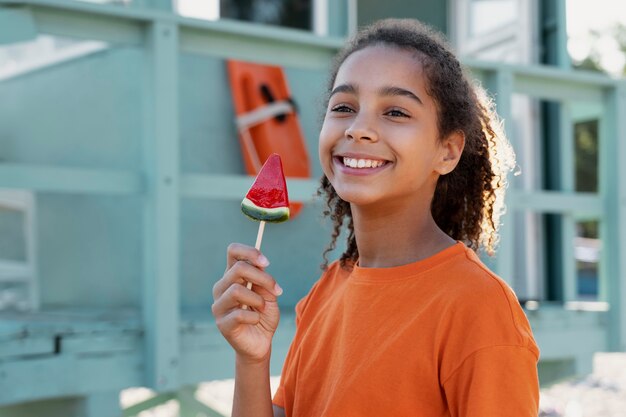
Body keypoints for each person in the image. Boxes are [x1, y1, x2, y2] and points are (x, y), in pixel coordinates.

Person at [212, 18, 540, 417]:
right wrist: (252, 360)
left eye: (396, 112)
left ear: (448, 151)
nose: (359, 128)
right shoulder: (324, 294)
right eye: (344, 107)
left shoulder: (479, 310)